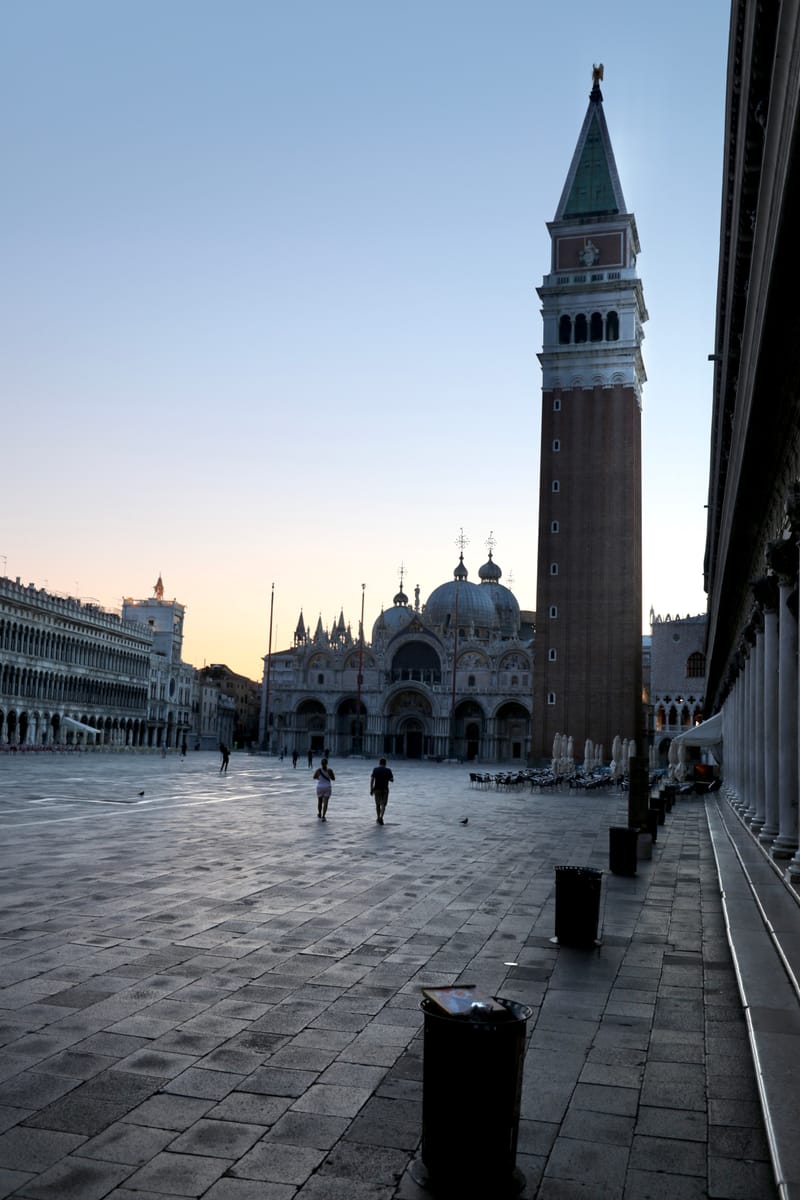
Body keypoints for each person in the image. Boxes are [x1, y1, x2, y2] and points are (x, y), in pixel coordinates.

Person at [370, 757, 394, 824]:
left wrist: (371, 789)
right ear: (385, 763)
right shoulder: (388, 770)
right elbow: (392, 780)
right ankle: (381, 817)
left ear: (379, 763)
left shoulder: (375, 769)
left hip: (377, 789)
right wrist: (387, 778)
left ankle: (378, 817)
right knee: (383, 804)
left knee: (377, 804)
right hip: (385, 789)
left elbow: (372, 780)